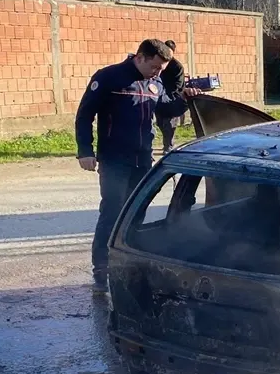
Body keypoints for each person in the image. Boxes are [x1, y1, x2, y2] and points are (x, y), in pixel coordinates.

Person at [76, 39, 198, 291]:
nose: (158, 72)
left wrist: (185, 98)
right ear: (140, 57)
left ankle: (129, 262)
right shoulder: (109, 77)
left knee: (137, 213)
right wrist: (85, 151)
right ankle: (102, 269)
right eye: (155, 67)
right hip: (114, 160)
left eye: (161, 69)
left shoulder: (155, 82)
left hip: (142, 159)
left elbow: (165, 109)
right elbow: (85, 114)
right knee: (112, 213)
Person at [156, 39, 186, 155]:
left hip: (173, 99)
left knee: (169, 124)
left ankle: (168, 146)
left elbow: (178, 86)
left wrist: (170, 97)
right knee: (161, 123)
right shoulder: (160, 64)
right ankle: (167, 144)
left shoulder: (177, 67)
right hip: (159, 98)